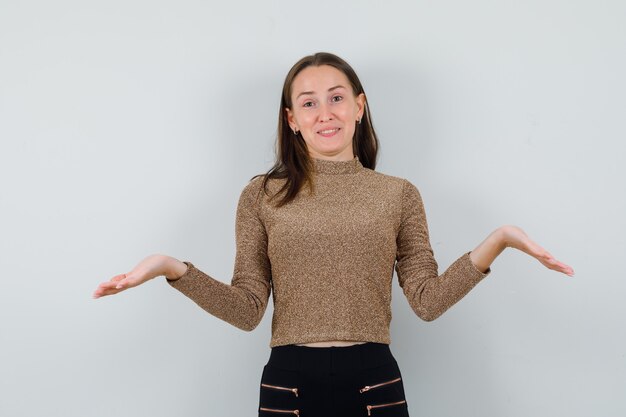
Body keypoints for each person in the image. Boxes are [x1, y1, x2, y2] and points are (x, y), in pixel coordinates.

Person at [93, 52, 574, 417]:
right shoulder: (262, 195)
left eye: (337, 97)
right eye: (309, 103)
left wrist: (500, 240)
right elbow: (246, 310)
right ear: (292, 120)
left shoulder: (398, 195)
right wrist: (169, 268)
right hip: (289, 384)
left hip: (374, 382)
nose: (325, 113)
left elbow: (427, 301)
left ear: (359, 106)